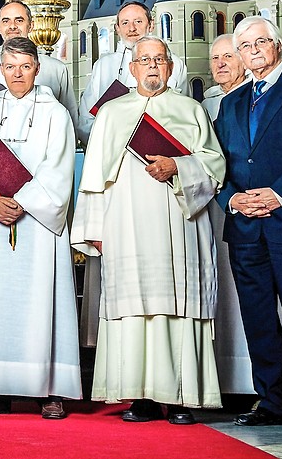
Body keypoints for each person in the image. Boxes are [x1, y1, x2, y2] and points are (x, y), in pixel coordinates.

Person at [72, 37, 224, 424]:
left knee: (177, 304)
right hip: (125, 227)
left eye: (159, 59)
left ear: (170, 68)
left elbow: (214, 166)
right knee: (132, 308)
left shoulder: (190, 110)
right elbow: (93, 180)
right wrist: (94, 230)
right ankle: (139, 396)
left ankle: (181, 397)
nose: (152, 66)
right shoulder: (111, 113)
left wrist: (179, 167)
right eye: (144, 60)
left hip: (179, 224)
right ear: (132, 68)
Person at [0, 37, 81, 419]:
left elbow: (59, 170)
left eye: (25, 66)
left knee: (43, 301)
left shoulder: (56, 114)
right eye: (10, 67)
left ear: (37, 68)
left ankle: (50, 391)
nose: (18, 74)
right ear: (1, 70)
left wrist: (22, 202)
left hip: (38, 226)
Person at [214, 16, 282, 432]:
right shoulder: (231, 104)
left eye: (260, 42)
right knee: (258, 319)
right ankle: (272, 399)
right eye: (245, 46)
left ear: (278, 44)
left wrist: (278, 193)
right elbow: (215, 163)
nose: (253, 50)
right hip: (245, 228)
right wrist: (232, 198)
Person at [199, 34, 254, 397]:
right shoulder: (205, 103)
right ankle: (223, 378)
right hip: (216, 207)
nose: (219, 64)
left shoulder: (254, 96)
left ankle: (252, 381)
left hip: (251, 205)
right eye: (214, 58)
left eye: (227, 56)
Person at [75, 1, 189, 142]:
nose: (132, 28)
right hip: (112, 147)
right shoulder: (103, 66)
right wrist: (106, 144)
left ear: (151, 25)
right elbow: (87, 119)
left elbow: (185, 115)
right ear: (117, 28)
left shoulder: (174, 64)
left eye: (138, 21)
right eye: (125, 23)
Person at [0, 1, 76, 133]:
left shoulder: (56, 69)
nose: (12, 26)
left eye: (19, 20)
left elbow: (70, 121)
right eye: (6, 21)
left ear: (31, 25)